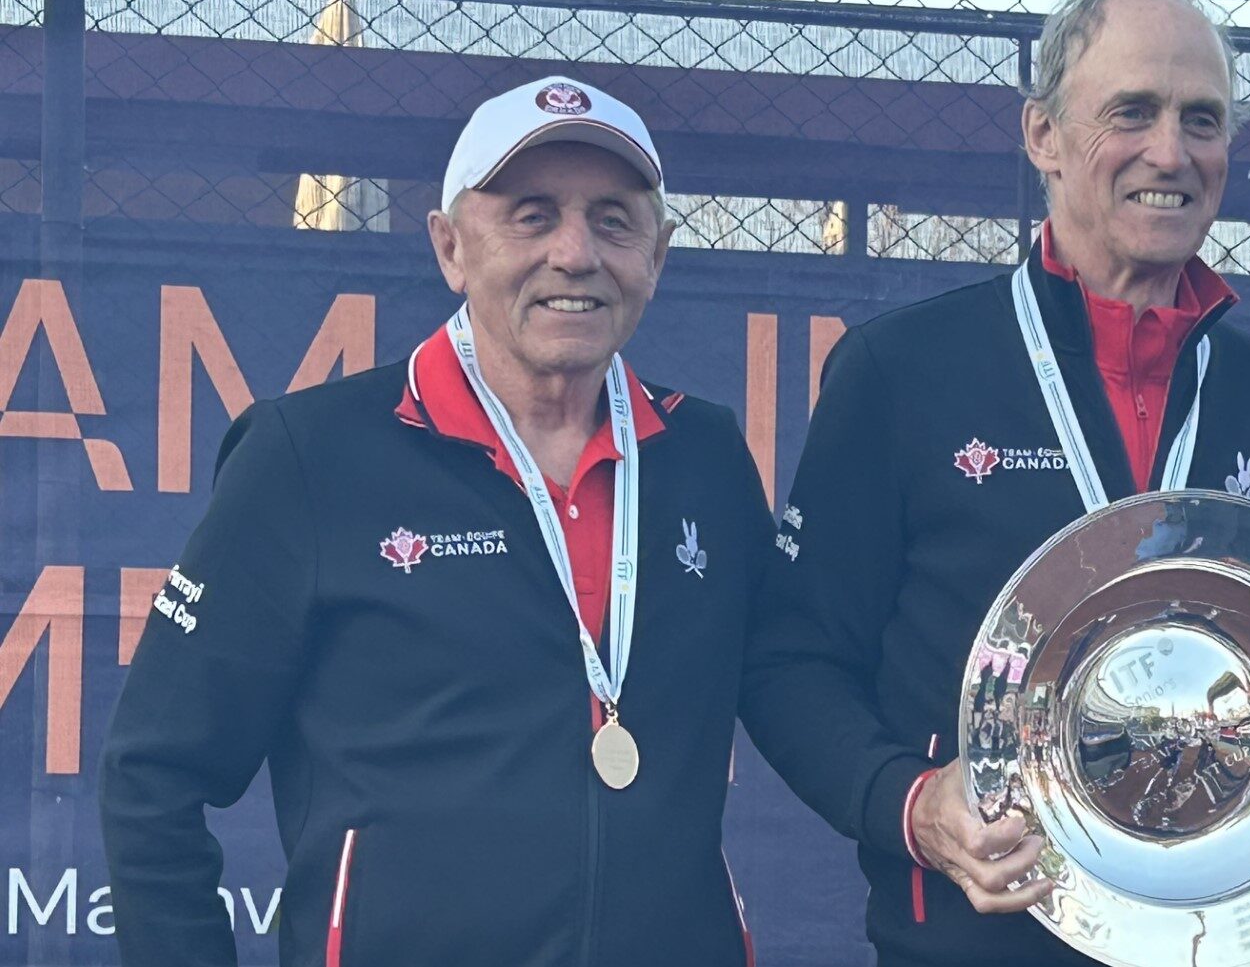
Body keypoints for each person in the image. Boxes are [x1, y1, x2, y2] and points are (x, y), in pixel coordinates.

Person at [743, 0, 1250, 967]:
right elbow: (791, 664)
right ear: (1043, 136)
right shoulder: (900, 373)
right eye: (1132, 112)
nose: (1170, 150)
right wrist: (916, 807)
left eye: (1203, 118)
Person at [100, 76, 770, 966]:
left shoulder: (705, 455)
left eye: (614, 218)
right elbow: (153, 773)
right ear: (450, 247)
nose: (575, 252)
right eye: (531, 214)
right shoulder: (309, 454)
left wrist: (922, 796)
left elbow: (799, 680)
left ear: (658, 254)